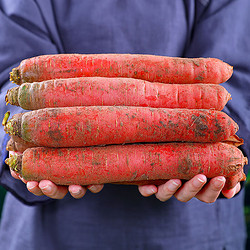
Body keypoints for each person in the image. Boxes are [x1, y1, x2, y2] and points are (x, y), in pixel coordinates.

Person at [0, 0, 249, 249]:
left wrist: (209, 155)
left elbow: (238, 76)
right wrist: (22, 130)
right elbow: (7, 72)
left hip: (195, 229)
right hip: (50, 232)